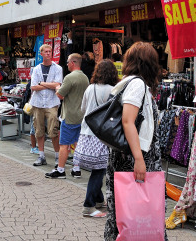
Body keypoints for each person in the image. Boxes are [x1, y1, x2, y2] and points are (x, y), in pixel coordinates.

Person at [104, 42, 164, 241]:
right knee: (135, 213)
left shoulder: (131, 84)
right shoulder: (137, 85)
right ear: (148, 63)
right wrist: (139, 158)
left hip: (130, 157)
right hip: (134, 158)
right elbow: (128, 120)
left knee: (127, 212)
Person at [75, 60, 119, 218]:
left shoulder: (90, 88)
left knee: (98, 169)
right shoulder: (112, 89)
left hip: (87, 132)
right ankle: (88, 205)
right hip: (102, 136)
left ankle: (99, 200)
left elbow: (83, 109)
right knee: (99, 171)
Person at [46, 53, 89, 179]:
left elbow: (60, 95)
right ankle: (76, 169)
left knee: (64, 144)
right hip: (81, 115)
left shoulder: (69, 77)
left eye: (68, 62)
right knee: (77, 143)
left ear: (73, 63)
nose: (67, 64)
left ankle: (60, 170)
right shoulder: (85, 78)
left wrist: (57, 87)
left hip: (69, 115)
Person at [30, 44, 63, 167]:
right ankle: (41, 155)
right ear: (41, 54)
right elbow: (33, 87)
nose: (48, 53)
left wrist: (42, 83)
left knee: (53, 129)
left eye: (50, 51)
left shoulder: (58, 68)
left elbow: (58, 84)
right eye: (46, 52)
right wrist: (51, 84)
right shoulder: (36, 69)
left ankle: (57, 156)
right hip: (38, 103)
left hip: (52, 102)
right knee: (39, 130)